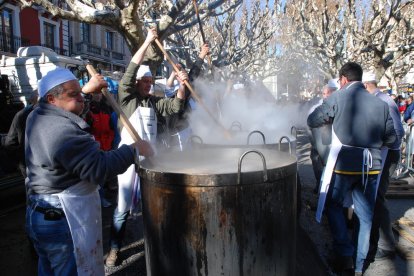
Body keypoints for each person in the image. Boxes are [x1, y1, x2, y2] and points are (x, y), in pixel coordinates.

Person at [25, 67, 153, 275]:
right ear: (51, 98)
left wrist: (83, 92)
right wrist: (133, 150)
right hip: (62, 219)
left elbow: (70, 108)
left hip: (41, 214)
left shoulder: (38, 115)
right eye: (73, 94)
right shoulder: (62, 131)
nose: (82, 99)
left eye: (80, 93)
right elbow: (99, 168)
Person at [106, 28, 189, 267]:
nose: (148, 85)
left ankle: (159, 245)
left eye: (150, 81)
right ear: (136, 82)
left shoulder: (154, 102)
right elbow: (131, 68)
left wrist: (182, 85)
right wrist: (147, 41)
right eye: (144, 81)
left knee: (154, 205)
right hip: (127, 157)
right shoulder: (126, 98)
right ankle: (114, 249)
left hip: (151, 157)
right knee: (122, 208)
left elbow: (174, 106)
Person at [307, 62, 396, 275]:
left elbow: (313, 119)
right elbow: (392, 139)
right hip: (372, 167)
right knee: (365, 216)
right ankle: (359, 264)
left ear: (344, 79)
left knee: (333, 205)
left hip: (345, 164)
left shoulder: (338, 97)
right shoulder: (381, 104)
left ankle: (345, 253)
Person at [363, 72, 404, 262]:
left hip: (387, 155)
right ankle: (376, 237)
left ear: (366, 86)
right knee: (374, 196)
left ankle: (386, 246)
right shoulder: (378, 101)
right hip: (380, 153)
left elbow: (397, 132)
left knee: (378, 196)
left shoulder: (385, 102)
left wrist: (378, 143)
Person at [164, 43, 210, 150]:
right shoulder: (172, 94)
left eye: (184, 72)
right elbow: (168, 88)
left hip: (187, 131)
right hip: (174, 137)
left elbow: (193, 75)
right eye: (180, 73)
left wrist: (202, 55)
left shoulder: (187, 88)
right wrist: (173, 75)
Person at [308, 80, 339, 193]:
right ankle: (320, 187)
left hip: (335, 147)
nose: (327, 95)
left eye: (331, 92)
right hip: (320, 145)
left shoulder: (339, 105)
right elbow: (310, 125)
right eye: (326, 93)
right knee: (319, 166)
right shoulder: (317, 108)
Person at [1, 90, 38, 177]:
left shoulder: (21, 115)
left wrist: (21, 161)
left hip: (29, 166)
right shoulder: (58, 114)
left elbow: (9, 143)